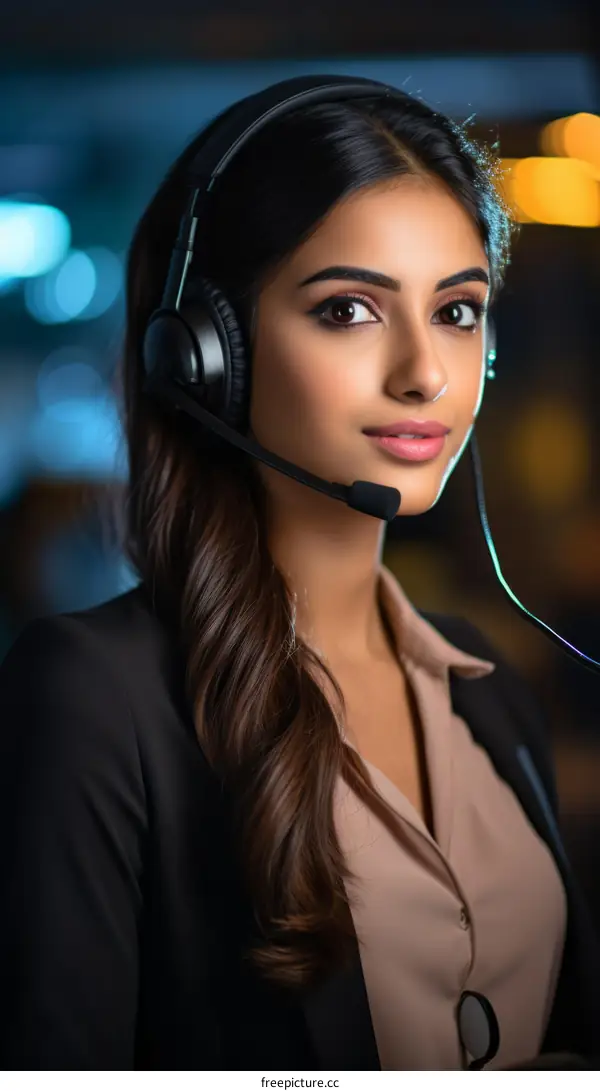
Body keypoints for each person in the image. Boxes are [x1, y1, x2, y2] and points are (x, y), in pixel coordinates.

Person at [0, 75, 599, 1072]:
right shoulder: (93, 699)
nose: (424, 373)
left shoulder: (489, 691)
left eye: (458, 311)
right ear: (204, 354)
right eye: (350, 308)